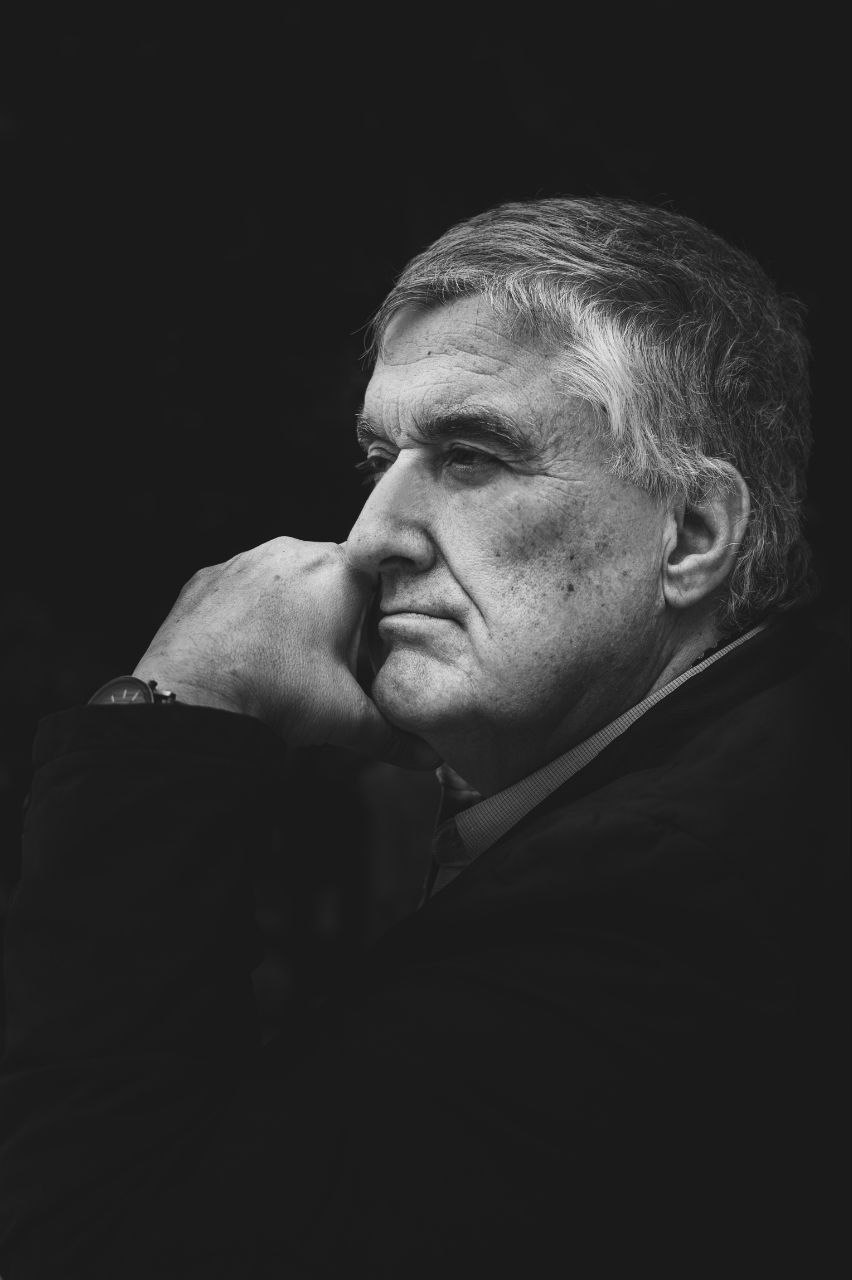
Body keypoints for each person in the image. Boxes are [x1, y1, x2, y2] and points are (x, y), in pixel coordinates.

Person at [0, 198, 847, 1278]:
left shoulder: (666, 905)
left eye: (472, 456)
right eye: (379, 459)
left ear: (691, 535)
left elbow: (82, 1243)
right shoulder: (748, 771)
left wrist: (182, 702)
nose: (370, 538)